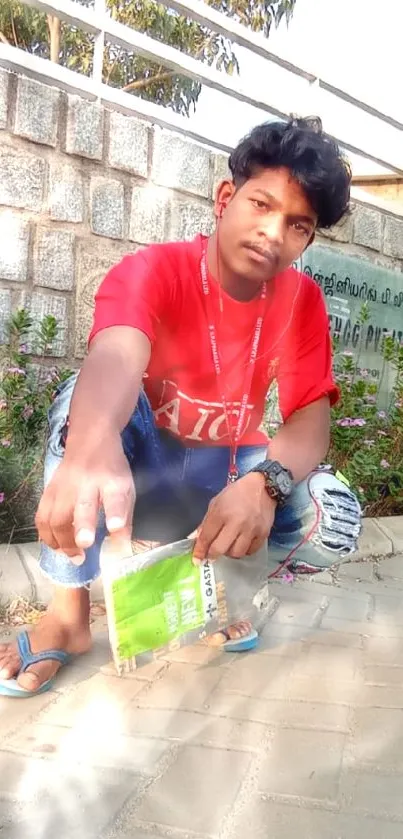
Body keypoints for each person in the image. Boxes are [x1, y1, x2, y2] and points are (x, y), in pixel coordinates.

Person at [0, 116, 361, 697]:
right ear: (226, 198)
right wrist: (92, 443)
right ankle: (68, 617)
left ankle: (220, 592)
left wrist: (264, 483)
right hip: (140, 477)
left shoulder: (302, 301)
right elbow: (115, 356)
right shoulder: (156, 271)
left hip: (221, 481)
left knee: (331, 509)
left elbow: (309, 418)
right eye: (261, 205)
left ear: (308, 239)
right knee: (79, 405)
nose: (274, 233)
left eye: (298, 225)